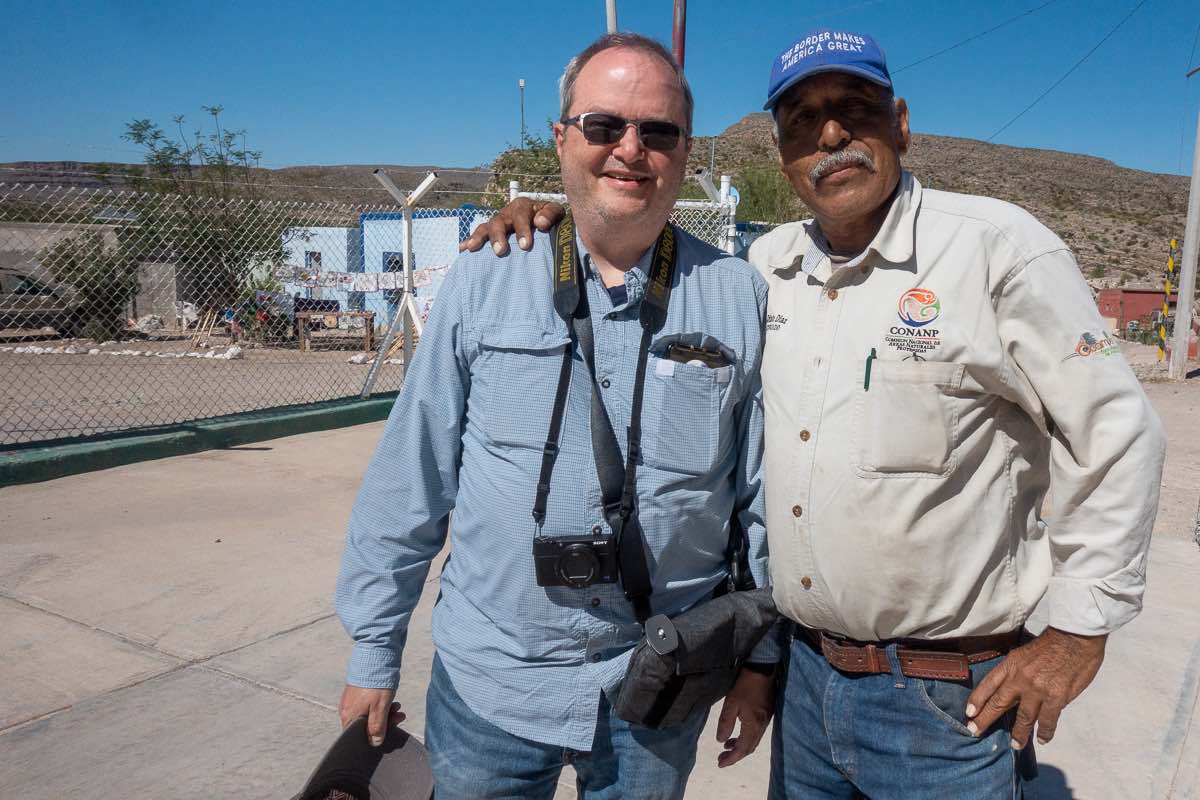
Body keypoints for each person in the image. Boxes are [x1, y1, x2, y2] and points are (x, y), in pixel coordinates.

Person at [462, 27, 1166, 798]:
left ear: (900, 123)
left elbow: (1117, 435)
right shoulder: (766, 274)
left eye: (855, 109)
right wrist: (559, 213)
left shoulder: (996, 253)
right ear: (782, 154)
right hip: (804, 688)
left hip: (946, 706)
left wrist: (1078, 629)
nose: (831, 134)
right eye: (802, 120)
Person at [336, 32, 780, 800]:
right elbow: (412, 477)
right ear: (562, 137)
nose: (629, 150)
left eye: (658, 132)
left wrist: (759, 664)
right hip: (493, 684)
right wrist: (373, 653)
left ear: (686, 150)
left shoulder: (741, 297)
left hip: (658, 687)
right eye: (604, 126)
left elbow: (761, 502)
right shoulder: (485, 278)